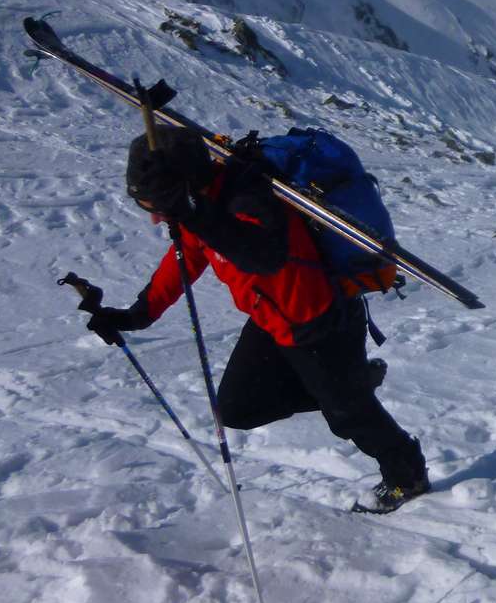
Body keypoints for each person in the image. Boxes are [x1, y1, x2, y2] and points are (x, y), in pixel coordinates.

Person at [86, 125, 429, 513]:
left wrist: (194, 215)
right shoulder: (199, 204)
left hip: (317, 320)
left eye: (155, 207)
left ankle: (408, 474)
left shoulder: (246, 197)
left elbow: (262, 256)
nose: (154, 219)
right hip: (270, 318)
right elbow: (184, 259)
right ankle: (351, 384)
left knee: (348, 416)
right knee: (236, 409)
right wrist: (139, 314)